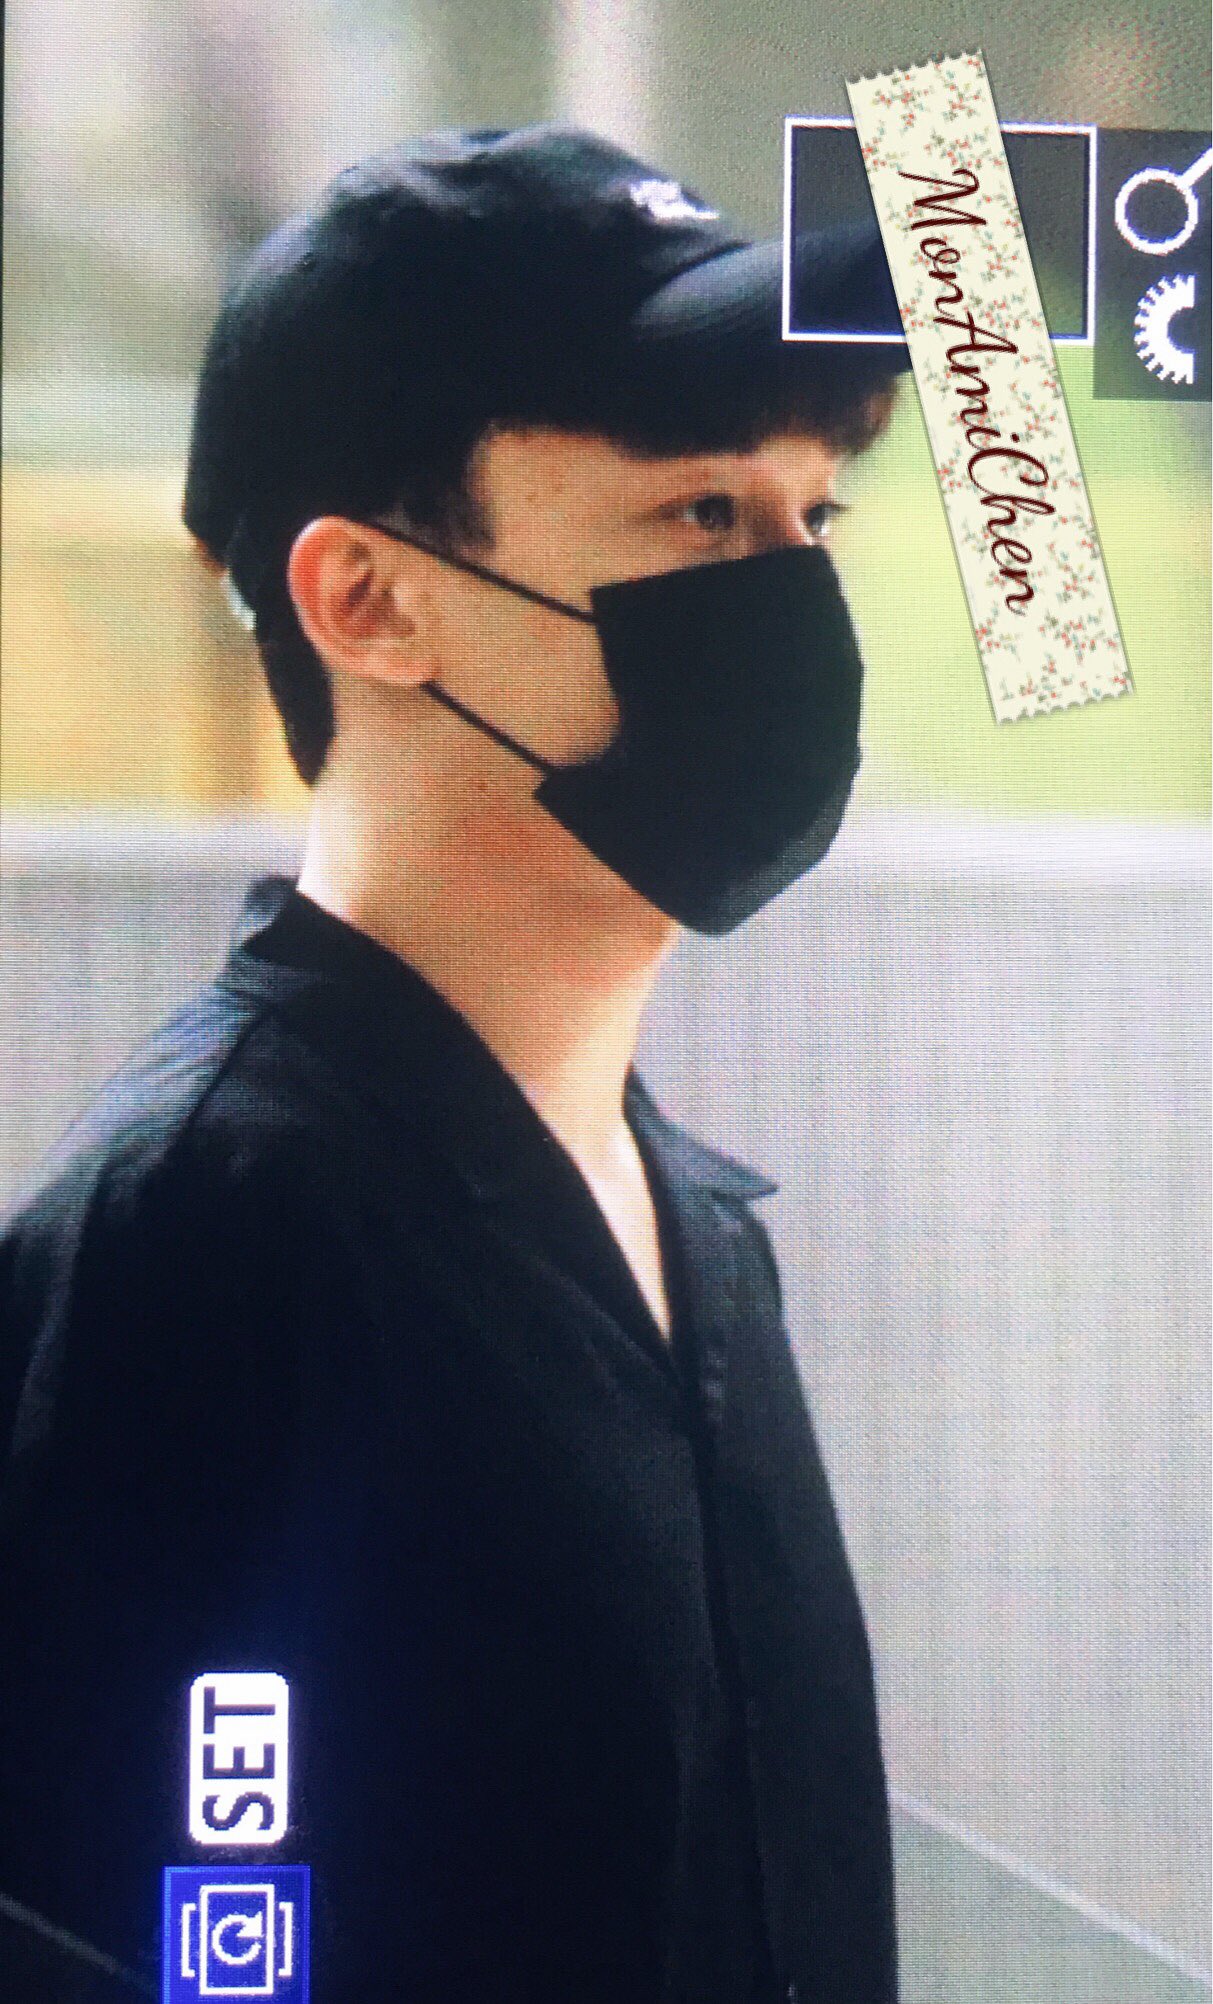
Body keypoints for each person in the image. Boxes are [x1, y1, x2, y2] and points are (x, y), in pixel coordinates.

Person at [0, 125, 912, 2002]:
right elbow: (170, 1932)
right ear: (366, 598)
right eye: (698, 516)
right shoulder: (209, 1240)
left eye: (811, 518)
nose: (790, 600)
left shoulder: (697, 1233)